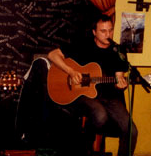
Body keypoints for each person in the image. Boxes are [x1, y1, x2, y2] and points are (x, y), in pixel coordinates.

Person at [47, 14, 138, 156]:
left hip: (110, 98)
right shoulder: (82, 45)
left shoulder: (119, 51)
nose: (108, 34)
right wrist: (70, 71)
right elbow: (52, 55)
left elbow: (119, 77)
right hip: (84, 96)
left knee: (131, 130)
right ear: (94, 32)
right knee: (100, 114)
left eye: (110, 30)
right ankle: (84, 146)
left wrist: (121, 84)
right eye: (103, 31)